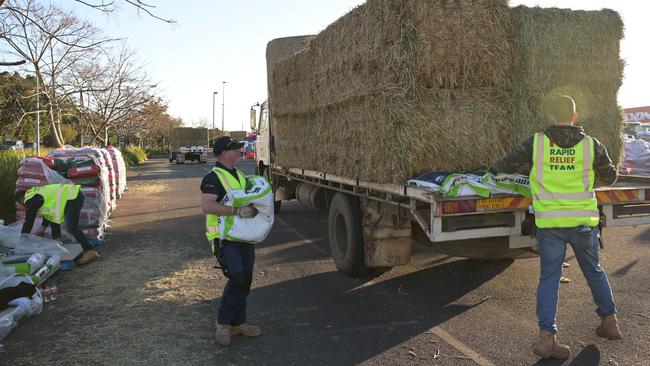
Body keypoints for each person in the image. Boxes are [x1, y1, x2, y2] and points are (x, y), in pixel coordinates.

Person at [494, 95, 622, 359]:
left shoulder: (536, 143)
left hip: (550, 223)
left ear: (550, 116)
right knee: (594, 271)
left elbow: (504, 165)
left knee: (549, 278)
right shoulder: (591, 145)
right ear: (575, 116)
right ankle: (609, 322)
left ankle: (547, 339)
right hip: (583, 223)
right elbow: (611, 176)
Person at [201, 136, 262, 346]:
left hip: (244, 235)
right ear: (225, 153)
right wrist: (237, 211)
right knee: (236, 275)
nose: (240, 152)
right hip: (224, 237)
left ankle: (239, 323)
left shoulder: (240, 175)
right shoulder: (213, 177)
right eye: (236, 150)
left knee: (246, 279)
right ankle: (223, 323)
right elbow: (208, 206)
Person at [20, 183, 98, 265]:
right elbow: (50, 215)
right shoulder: (36, 194)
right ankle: (58, 241)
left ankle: (89, 251)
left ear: (21, 199)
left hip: (72, 197)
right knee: (58, 221)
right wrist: (43, 230)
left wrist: (23, 238)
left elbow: (29, 221)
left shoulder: (29, 199)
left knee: (71, 227)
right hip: (73, 195)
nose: (25, 206)